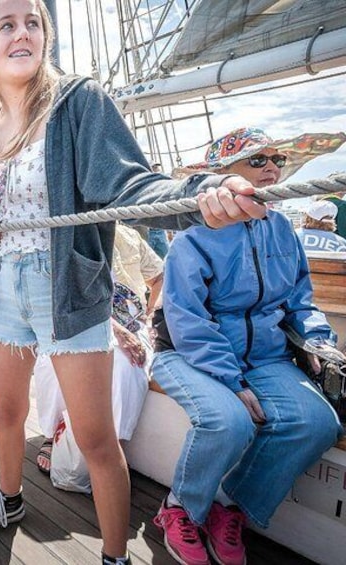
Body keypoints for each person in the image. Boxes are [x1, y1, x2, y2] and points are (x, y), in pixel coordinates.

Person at [0, 2, 267, 563]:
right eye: (7, 24)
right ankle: (8, 499)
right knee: (5, 412)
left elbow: (130, 184)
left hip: (67, 288)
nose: (23, 31)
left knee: (96, 439)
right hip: (3, 286)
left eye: (33, 23)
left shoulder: (79, 103)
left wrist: (199, 195)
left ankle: (115, 556)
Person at [151, 127, 343, 565]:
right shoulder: (191, 237)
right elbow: (188, 320)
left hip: (266, 356)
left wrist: (317, 340)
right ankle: (180, 507)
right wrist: (232, 380)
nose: (272, 167)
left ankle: (229, 508)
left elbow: (300, 300)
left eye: (275, 159)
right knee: (227, 421)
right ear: (223, 177)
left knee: (317, 422)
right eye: (257, 161)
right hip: (186, 353)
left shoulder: (283, 231)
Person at [34, 222, 163, 477]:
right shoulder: (70, 235)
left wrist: (151, 316)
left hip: (132, 321)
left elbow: (160, 277)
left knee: (128, 365)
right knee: (51, 359)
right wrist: (116, 330)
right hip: (82, 318)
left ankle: (115, 449)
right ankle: (52, 434)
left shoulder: (131, 237)